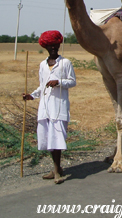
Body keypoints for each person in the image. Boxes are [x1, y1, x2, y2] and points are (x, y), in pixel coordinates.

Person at [22, 30, 76, 184]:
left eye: (55, 45)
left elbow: (72, 81)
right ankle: (56, 169)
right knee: (48, 138)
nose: (53, 48)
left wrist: (58, 81)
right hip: (45, 107)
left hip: (59, 107)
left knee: (56, 139)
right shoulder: (42, 65)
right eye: (50, 46)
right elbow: (41, 86)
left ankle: (57, 171)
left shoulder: (65, 63)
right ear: (45, 47)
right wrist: (31, 96)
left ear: (59, 45)